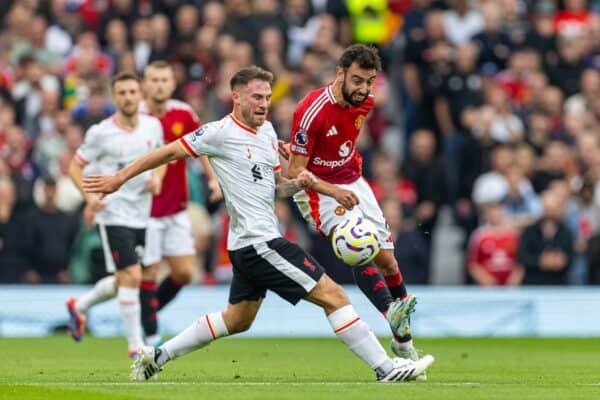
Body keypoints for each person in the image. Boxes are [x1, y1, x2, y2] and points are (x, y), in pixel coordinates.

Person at [82, 66, 434, 382]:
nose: (264, 103)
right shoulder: (218, 133)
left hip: (247, 245)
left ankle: (157, 356)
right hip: (259, 243)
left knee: (237, 320)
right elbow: (168, 151)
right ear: (236, 97)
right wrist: (119, 178)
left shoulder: (266, 132)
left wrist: (306, 183)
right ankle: (385, 368)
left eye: (267, 96)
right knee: (334, 296)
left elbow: (278, 186)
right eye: (256, 96)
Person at [279, 44, 420, 360]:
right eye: (357, 80)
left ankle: (403, 339)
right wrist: (333, 191)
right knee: (358, 248)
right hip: (319, 192)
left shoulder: (366, 102)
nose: (364, 89)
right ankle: (391, 314)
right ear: (340, 73)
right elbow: (297, 172)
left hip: (354, 181)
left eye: (369, 81)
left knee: (388, 262)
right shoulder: (310, 111)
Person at [69, 61, 223, 347]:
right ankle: (146, 337)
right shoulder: (120, 123)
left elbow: (193, 149)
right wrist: (91, 200)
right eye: (153, 80)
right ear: (145, 85)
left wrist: (211, 179)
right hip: (141, 212)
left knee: (183, 272)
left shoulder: (179, 115)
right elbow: (83, 165)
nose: (159, 85)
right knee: (139, 275)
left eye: (165, 80)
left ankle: (95, 306)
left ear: (172, 83)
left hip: (175, 207)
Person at [65, 71, 165, 357]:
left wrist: (157, 176)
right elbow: (75, 166)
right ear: (114, 97)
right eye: (121, 93)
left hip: (141, 214)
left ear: (141, 94)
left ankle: (79, 305)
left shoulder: (152, 127)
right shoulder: (101, 133)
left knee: (126, 278)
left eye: (132, 92)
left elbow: (161, 159)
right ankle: (136, 348)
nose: (128, 97)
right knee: (133, 275)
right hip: (113, 213)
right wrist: (90, 199)